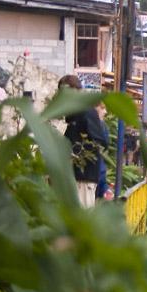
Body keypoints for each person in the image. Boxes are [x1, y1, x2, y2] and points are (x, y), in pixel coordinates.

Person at [59, 75, 107, 208]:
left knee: (82, 220)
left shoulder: (86, 112)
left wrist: (74, 155)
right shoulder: (74, 115)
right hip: (74, 176)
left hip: (84, 177)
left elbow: (100, 141)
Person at [94, 103, 113, 201]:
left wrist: (105, 189)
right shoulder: (94, 127)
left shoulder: (102, 126)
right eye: (102, 108)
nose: (105, 112)